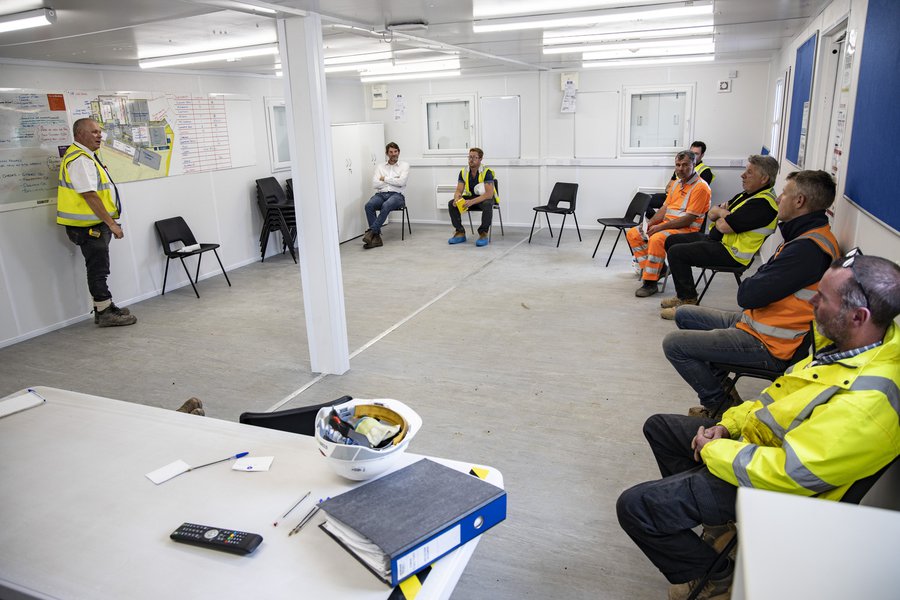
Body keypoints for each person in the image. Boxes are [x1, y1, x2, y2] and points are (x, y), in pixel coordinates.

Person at [617, 253, 900, 600]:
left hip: (778, 490)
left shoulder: (867, 404)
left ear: (858, 316)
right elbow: (773, 400)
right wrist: (727, 425)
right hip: (757, 452)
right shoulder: (848, 347)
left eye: (823, 297)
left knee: (636, 507)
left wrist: (716, 450)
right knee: (660, 427)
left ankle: (715, 578)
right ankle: (719, 529)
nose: (812, 300)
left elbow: (792, 474)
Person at [662, 170, 840, 417]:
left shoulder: (807, 250)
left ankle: (720, 408)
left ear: (800, 201)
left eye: (785, 194)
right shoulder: (806, 236)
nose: (779, 199)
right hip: (759, 322)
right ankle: (724, 390)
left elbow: (747, 295)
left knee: (674, 345)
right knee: (685, 315)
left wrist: (759, 278)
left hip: (772, 345)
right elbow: (758, 284)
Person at [659, 155, 780, 319]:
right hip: (717, 241)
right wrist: (723, 213)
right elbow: (713, 212)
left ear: (764, 178)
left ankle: (688, 301)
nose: (742, 175)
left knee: (677, 252)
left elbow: (723, 225)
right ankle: (683, 292)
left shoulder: (762, 204)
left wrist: (721, 215)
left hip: (732, 254)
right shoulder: (747, 195)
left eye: (749, 172)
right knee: (671, 240)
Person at [57, 118, 136, 327]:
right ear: (79, 135)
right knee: (98, 269)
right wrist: (111, 224)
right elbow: (90, 195)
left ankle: (104, 307)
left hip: (90, 225)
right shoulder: (80, 159)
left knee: (99, 268)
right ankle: (104, 312)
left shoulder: (87, 156)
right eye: (94, 132)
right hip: (89, 227)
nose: (99, 136)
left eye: (100, 132)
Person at [626, 150, 711, 297]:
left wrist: (660, 227)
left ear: (694, 164)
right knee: (634, 233)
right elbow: (665, 208)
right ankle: (660, 270)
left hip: (687, 230)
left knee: (657, 238)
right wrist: (650, 224)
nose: (680, 168)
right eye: (678, 165)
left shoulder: (701, 188)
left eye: (685, 165)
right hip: (668, 225)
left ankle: (650, 283)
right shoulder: (676, 184)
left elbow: (689, 218)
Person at [645, 141, 715, 220]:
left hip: (685, 202)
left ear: (702, 155)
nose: (692, 156)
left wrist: (677, 192)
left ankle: (664, 222)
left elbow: (697, 193)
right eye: (691, 152)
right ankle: (660, 220)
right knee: (644, 201)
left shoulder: (705, 171)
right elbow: (668, 187)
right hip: (671, 197)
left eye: (696, 154)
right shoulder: (679, 168)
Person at [447, 147, 499, 247]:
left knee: (488, 204)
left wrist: (471, 202)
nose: (471, 159)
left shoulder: (486, 172)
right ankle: (460, 232)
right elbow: (459, 190)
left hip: (484, 198)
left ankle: (483, 233)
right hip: (472, 199)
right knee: (451, 203)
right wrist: (457, 198)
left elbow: (489, 194)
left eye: (475, 157)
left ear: (480, 159)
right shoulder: (464, 171)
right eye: (470, 157)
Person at [362, 142, 409, 250]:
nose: (393, 154)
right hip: (381, 194)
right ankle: (376, 238)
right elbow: (375, 184)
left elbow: (402, 182)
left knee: (386, 205)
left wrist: (385, 179)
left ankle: (372, 232)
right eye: (391, 152)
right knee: (369, 205)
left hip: (397, 196)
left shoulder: (404, 165)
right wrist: (393, 180)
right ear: (387, 153)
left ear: (399, 152)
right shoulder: (380, 166)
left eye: (395, 151)